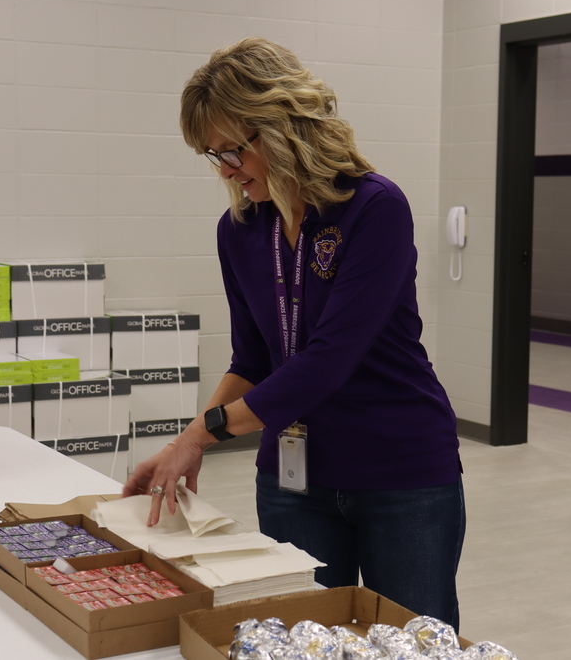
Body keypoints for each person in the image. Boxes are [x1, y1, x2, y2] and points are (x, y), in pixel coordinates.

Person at [123, 37, 465, 630]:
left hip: (400, 474)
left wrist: (199, 437)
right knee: (304, 641)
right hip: (293, 478)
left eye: (235, 150)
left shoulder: (372, 208)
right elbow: (253, 357)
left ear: (284, 128)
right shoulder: (240, 229)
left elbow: (328, 361)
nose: (227, 169)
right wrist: (187, 442)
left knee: (415, 642)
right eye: (213, 155)